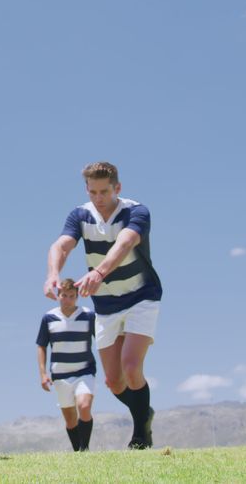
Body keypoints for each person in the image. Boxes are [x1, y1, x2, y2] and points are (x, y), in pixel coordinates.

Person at [44, 161, 162, 449]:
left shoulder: (137, 211)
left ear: (117, 188)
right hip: (107, 305)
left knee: (132, 367)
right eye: (93, 192)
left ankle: (140, 434)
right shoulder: (80, 215)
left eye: (104, 192)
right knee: (114, 381)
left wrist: (98, 272)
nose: (99, 198)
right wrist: (53, 274)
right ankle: (144, 411)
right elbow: (60, 246)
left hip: (140, 297)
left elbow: (124, 243)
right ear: (87, 189)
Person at [36, 278, 97, 452]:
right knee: (70, 420)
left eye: (71, 296)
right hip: (60, 376)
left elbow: (102, 341)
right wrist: (42, 374)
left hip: (84, 371)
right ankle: (78, 451)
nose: (67, 299)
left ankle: (85, 450)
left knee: (84, 406)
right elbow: (41, 346)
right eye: (64, 295)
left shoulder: (88, 316)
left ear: (77, 296)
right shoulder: (48, 318)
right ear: (58, 295)